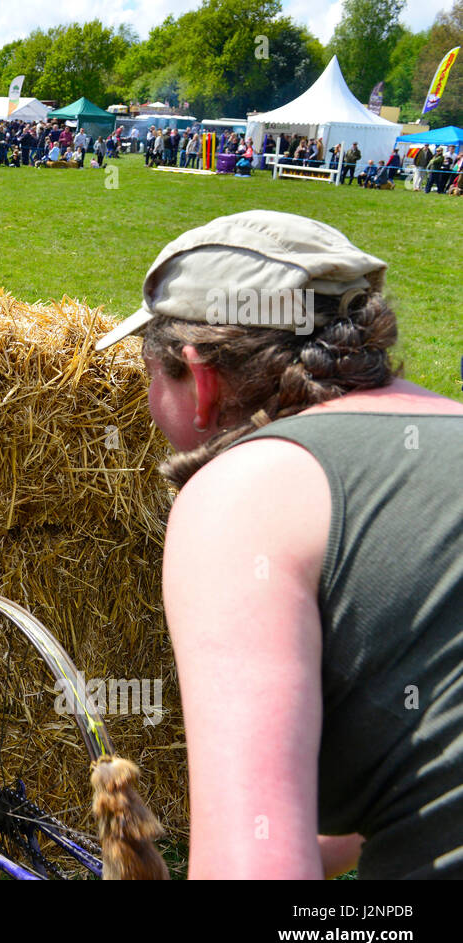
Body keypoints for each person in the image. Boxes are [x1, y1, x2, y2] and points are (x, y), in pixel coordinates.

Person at [95, 209, 463, 879]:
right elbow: (423, 761)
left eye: (153, 374)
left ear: (200, 378)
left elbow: (257, 869)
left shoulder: (247, 490)